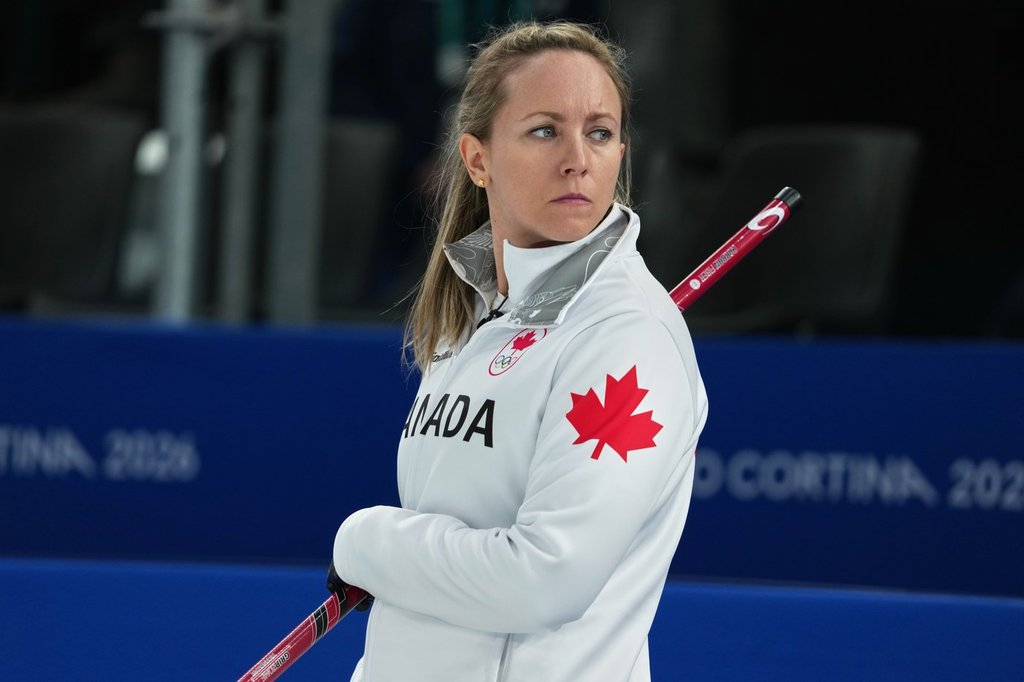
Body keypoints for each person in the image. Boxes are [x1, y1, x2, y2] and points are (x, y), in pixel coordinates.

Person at [330, 20, 708, 681]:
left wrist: (365, 541)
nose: (577, 159)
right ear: (477, 159)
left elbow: (546, 579)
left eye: (599, 132)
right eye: (544, 130)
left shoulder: (627, 342)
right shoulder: (469, 314)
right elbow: (436, 588)